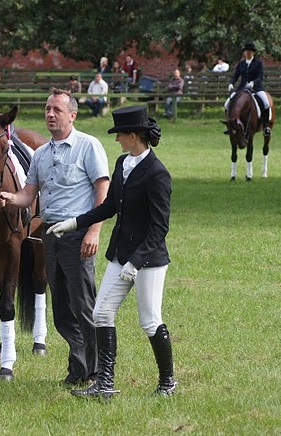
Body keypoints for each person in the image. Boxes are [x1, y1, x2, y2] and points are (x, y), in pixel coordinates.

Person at [47, 105, 176, 399]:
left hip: (149, 259)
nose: (116, 139)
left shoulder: (157, 174)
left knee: (149, 320)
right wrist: (74, 222)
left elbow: (159, 228)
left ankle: (167, 382)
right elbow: (109, 207)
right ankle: (104, 384)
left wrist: (136, 262)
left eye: (120, 134)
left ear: (133, 136)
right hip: (121, 253)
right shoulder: (122, 163)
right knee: (102, 313)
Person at [0, 88, 110, 387]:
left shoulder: (88, 146)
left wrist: (94, 230)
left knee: (83, 305)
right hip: (49, 235)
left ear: (72, 115)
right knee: (61, 310)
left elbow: (103, 190)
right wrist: (10, 197)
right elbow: (28, 195)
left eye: (57, 110)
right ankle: (79, 368)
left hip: (78, 234)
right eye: (47, 109)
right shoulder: (41, 154)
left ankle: (98, 374)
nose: (50, 114)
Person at [224, 42, 271, 136]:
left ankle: (266, 126)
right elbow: (235, 76)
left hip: (256, 88)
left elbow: (260, 77)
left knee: (266, 103)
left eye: (249, 51)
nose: (247, 53)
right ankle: (230, 124)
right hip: (242, 88)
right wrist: (231, 83)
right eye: (246, 51)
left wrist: (253, 83)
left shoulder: (258, 63)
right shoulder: (241, 64)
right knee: (227, 104)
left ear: (253, 53)